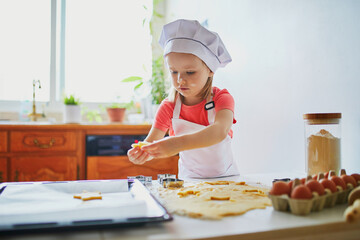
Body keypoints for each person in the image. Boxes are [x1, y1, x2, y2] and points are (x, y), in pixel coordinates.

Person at [127, 19, 239, 179]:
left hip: (227, 180)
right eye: (174, 72)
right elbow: (151, 143)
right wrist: (143, 153)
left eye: (190, 72)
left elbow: (219, 132)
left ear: (210, 70)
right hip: (189, 182)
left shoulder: (222, 99)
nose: (180, 80)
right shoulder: (169, 107)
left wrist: (177, 143)